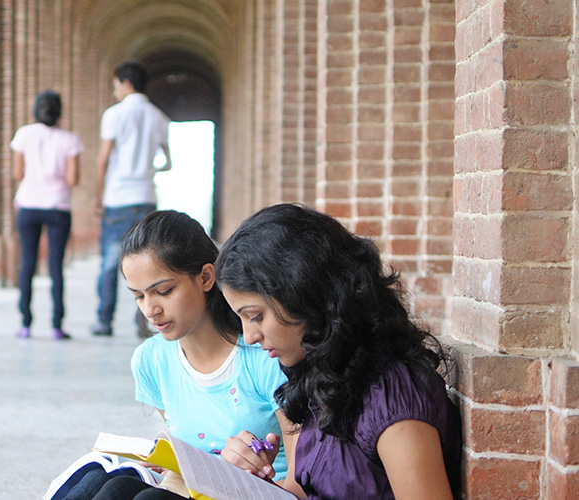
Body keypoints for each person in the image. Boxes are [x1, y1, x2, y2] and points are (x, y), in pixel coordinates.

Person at [92, 204, 462, 500]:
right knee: (115, 486)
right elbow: (302, 489)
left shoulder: (393, 397)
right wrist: (243, 481)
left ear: (306, 297)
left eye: (256, 317)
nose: (249, 337)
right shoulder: (323, 375)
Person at [51, 210, 288, 499]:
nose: (150, 310)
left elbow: (304, 483)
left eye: (163, 291)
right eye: (139, 296)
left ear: (205, 277)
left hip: (255, 492)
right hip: (192, 489)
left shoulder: (266, 357)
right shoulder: (152, 359)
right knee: (108, 484)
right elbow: (188, 448)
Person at [91, 61, 172, 338]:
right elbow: (168, 162)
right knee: (148, 264)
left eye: (115, 86)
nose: (115, 92)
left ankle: (104, 320)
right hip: (146, 197)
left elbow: (103, 159)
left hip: (118, 197)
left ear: (126, 83)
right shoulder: (159, 117)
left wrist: (97, 196)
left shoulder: (114, 115)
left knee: (110, 263)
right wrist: (149, 169)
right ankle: (144, 323)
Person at [10, 90, 83, 340]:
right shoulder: (70, 140)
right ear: (59, 111)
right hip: (58, 206)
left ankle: (25, 324)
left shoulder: (23, 134)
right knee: (55, 267)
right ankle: (56, 326)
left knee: (27, 264)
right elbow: (73, 179)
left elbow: (17, 174)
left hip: (28, 205)